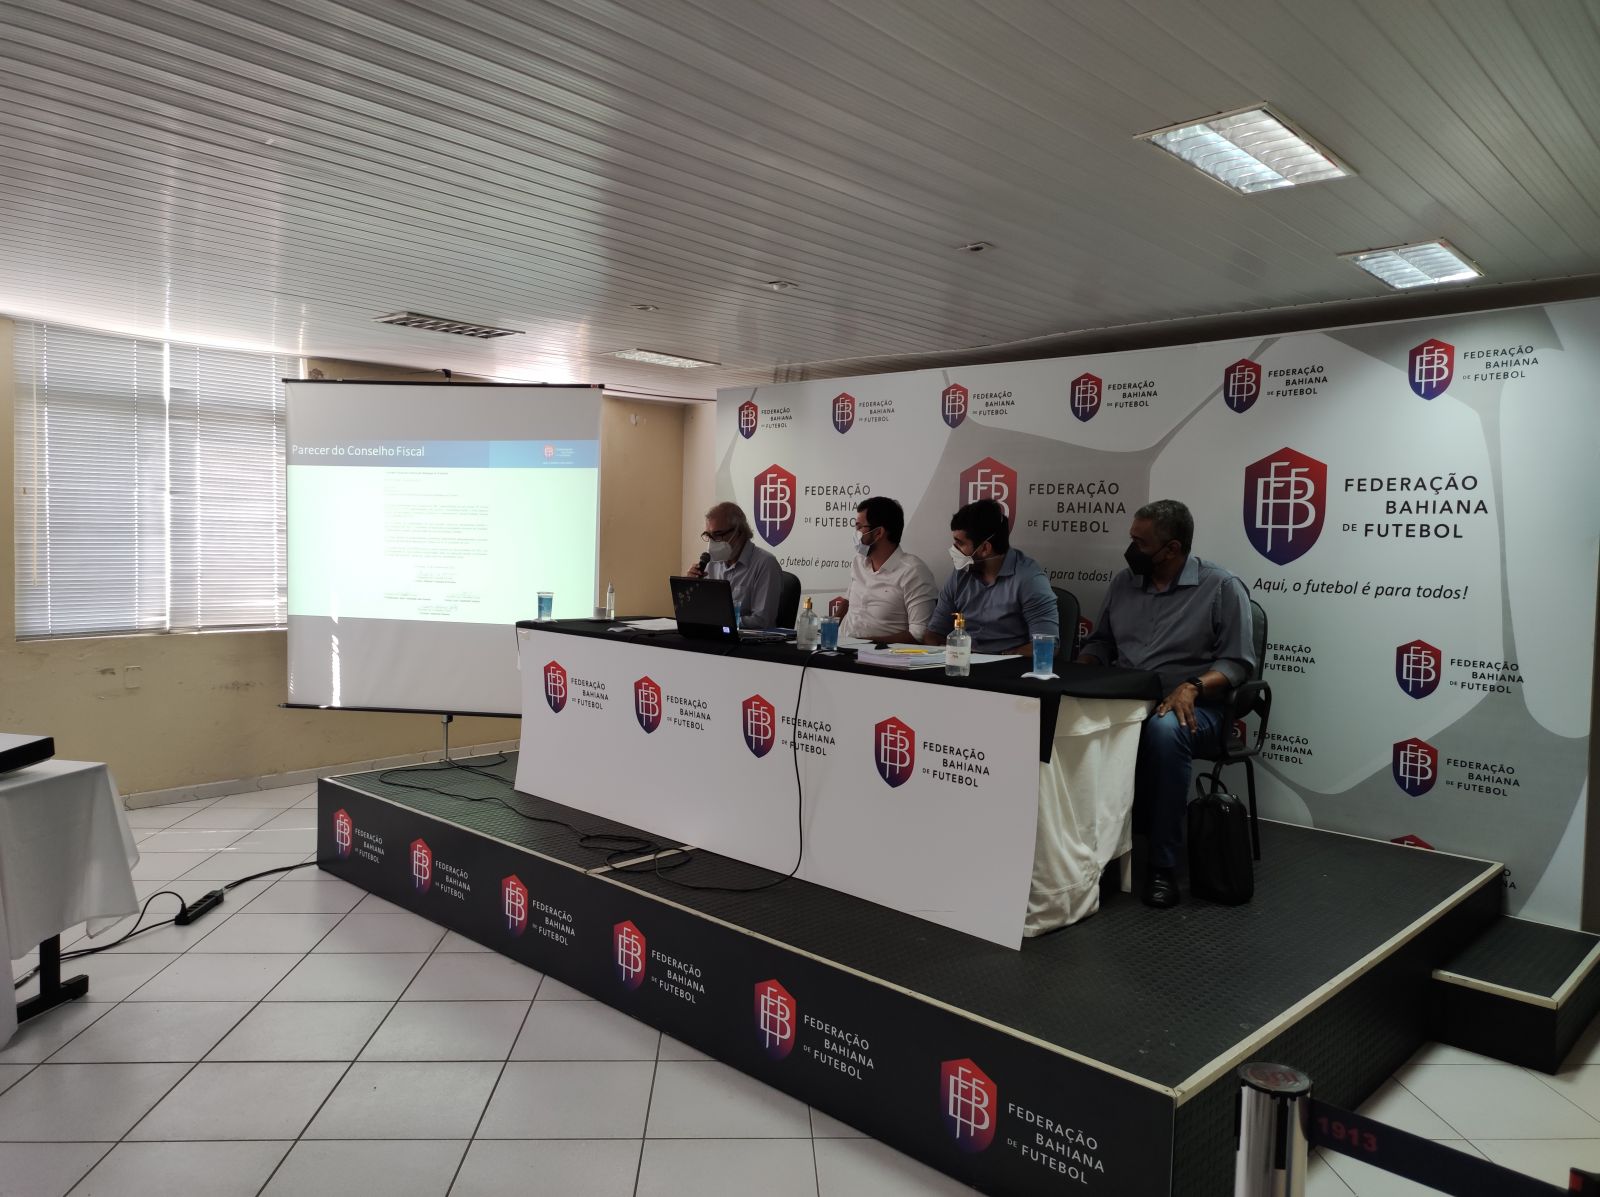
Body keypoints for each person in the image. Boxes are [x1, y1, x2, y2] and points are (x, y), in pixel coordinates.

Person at [1075, 500, 1256, 910]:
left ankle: (1162, 866)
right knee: (1073, 720)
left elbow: (1238, 662)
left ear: (1171, 549)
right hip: (1126, 701)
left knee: (1164, 730)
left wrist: (1193, 686)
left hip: (1198, 708)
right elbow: (1101, 642)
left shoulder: (1221, 587)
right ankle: (1086, 857)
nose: (1131, 550)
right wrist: (1082, 668)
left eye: (1140, 542)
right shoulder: (1124, 583)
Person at [924, 498, 1058, 654]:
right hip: (963, 662)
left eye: (960, 543)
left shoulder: (1029, 580)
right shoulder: (960, 574)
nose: (954, 549)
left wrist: (1002, 657)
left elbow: (1047, 646)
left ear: (985, 548)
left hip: (1007, 665)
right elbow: (934, 634)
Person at [834, 496, 937, 643]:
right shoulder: (858, 561)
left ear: (878, 533)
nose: (856, 532)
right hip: (842, 646)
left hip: (879, 653)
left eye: (859, 527)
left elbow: (918, 634)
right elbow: (848, 599)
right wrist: (827, 629)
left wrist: (865, 644)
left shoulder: (913, 572)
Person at [684, 501, 783, 627]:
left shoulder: (765, 564)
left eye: (718, 535)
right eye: (709, 536)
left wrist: (719, 622)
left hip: (746, 638)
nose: (712, 542)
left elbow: (762, 621)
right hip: (713, 634)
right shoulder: (710, 563)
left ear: (739, 532)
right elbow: (699, 612)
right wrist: (690, 589)